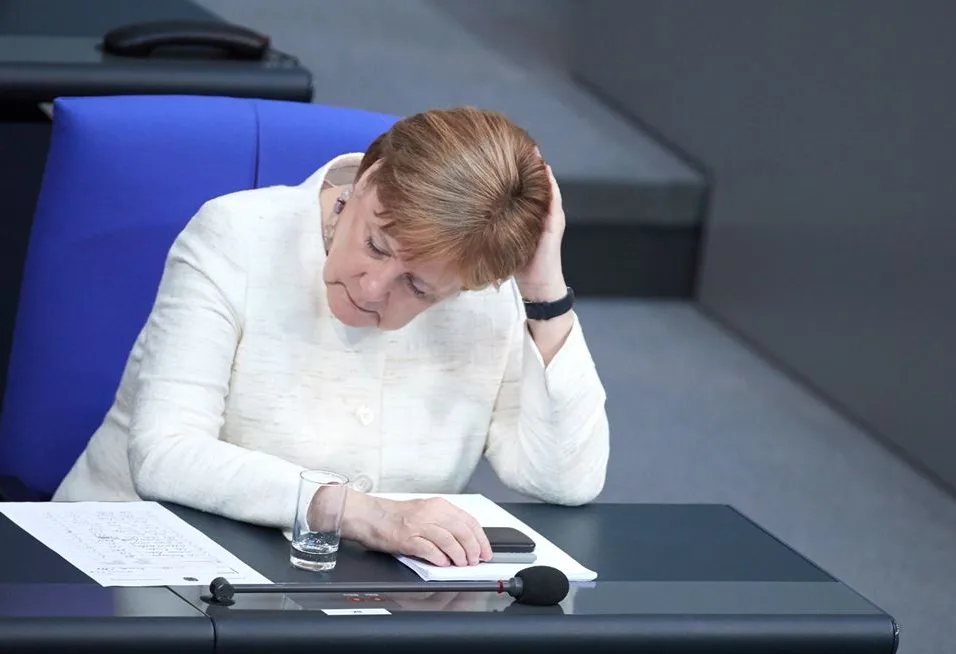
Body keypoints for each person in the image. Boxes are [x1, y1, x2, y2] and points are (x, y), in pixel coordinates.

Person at [52, 107, 610, 568]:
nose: (372, 288)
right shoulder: (236, 237)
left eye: (416, 287)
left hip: (337, 592)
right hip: (137, 568)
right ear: (366, 179)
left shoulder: (482, 293)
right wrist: (359, 513)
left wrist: (544, 291)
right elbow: (165, 455)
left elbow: (564, 479)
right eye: (377, 245)